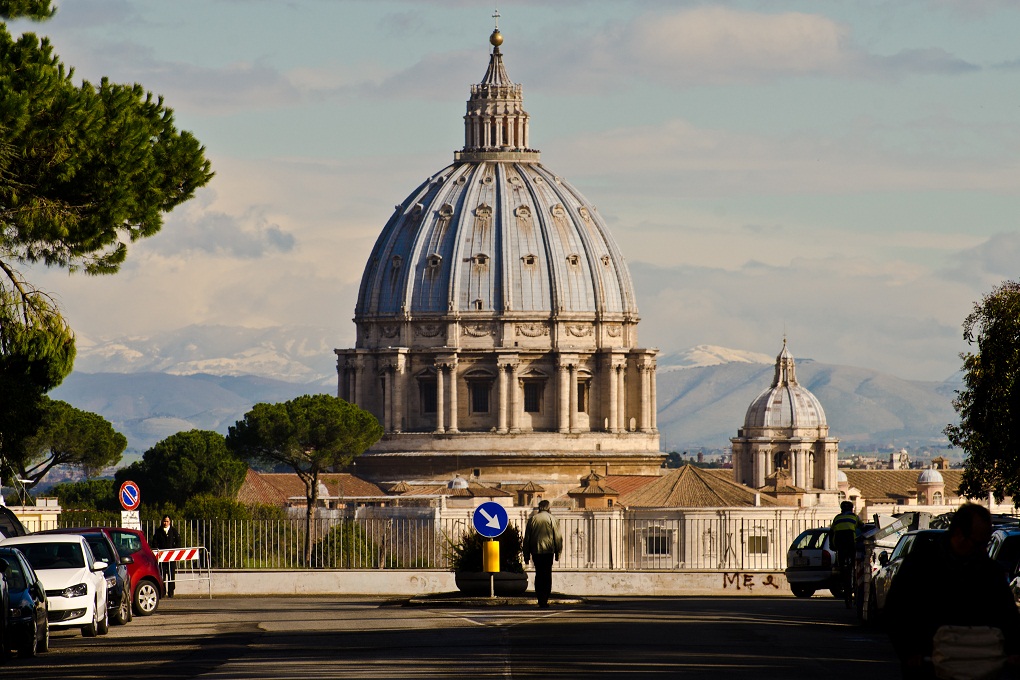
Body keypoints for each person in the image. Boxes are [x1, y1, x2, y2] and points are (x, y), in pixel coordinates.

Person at [884, 503, 1020, 680]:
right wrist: (909, 651)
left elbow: (1007, 614)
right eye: (979, 543)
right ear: (959, 535)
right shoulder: (920, 565)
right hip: (930, 666)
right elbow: (897, 609)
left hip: (979, 664)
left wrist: (1014, 650)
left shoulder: (989, 571)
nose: (983, 550)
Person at [523, 500, 563, 608]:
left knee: (539, 574)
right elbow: (558, 537)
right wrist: (558, 552)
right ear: (549, 508)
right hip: (548, 551)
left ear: (539, 507)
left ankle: (540, 598)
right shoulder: (553, 519)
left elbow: (527, 539)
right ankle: (545, 598)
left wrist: (526, 555)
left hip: (536, 551)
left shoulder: (532, 519)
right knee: (546, 575)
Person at [830, 500, 862, 606]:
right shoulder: (854, 517)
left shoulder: (837, 518)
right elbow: (862, 526)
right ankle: (853, 568)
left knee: (842, 565)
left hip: (839, 544)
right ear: (851, 509)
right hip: (850, 542)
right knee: (853, 562)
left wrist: (832, 545)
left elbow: (831, 532)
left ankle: (842, 574)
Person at [150, 514, 181, 598]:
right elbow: (154, 542)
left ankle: (171, 592)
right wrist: (157, 550)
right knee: (161, 575)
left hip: (171, 558)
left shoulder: (173, 531)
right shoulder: (158, 531)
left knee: (171, 575)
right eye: (164, 521)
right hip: (162, 558)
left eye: (167, 521)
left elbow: (178, 542)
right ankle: (162, 592)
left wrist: (174, 551)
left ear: (170, 522)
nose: (165, 523)